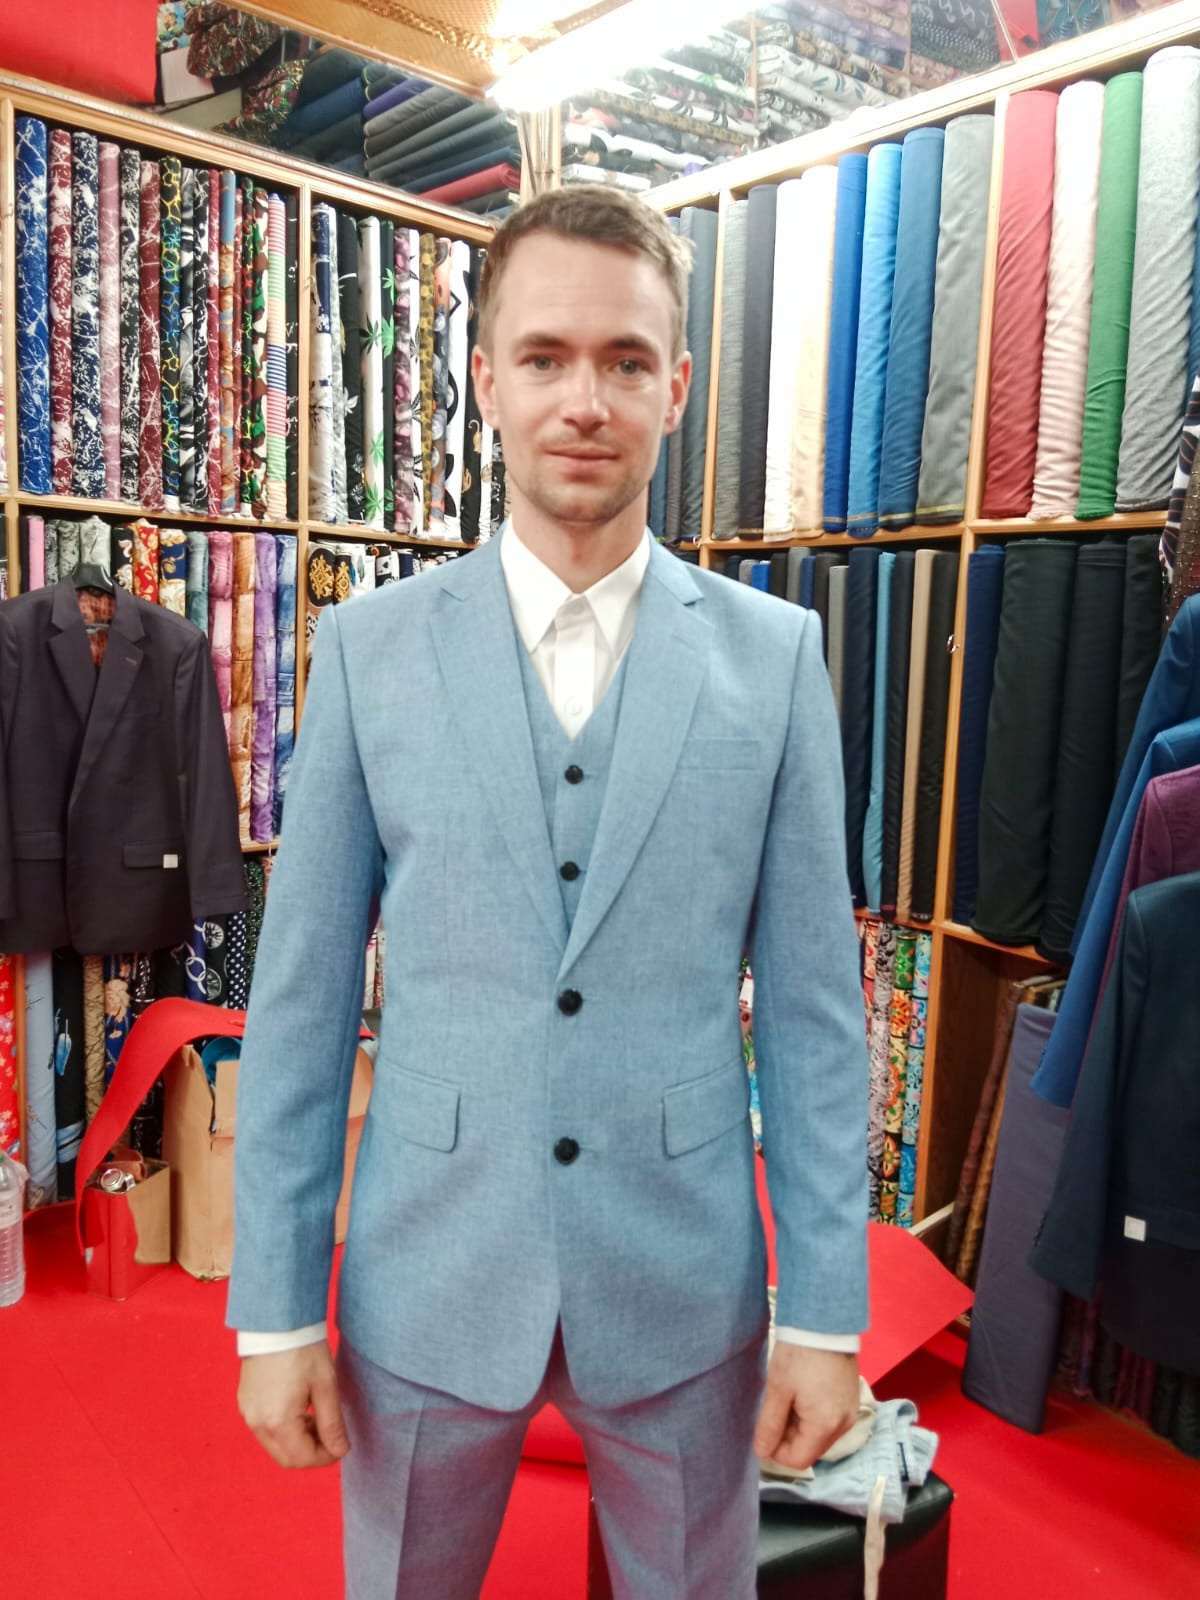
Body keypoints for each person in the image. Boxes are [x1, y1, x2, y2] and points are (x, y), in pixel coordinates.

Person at [228, 185, 868, 1600]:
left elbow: (818, 1014)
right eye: (545, 356)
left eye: (626, 360)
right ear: (487, 378)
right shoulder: (373, 652)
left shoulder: (775, 661)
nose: (585, 400)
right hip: (430, 1267)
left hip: (683, 1282)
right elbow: (303, 1001)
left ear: (677, 387)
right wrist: (273, 1310)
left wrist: (825, 1313)